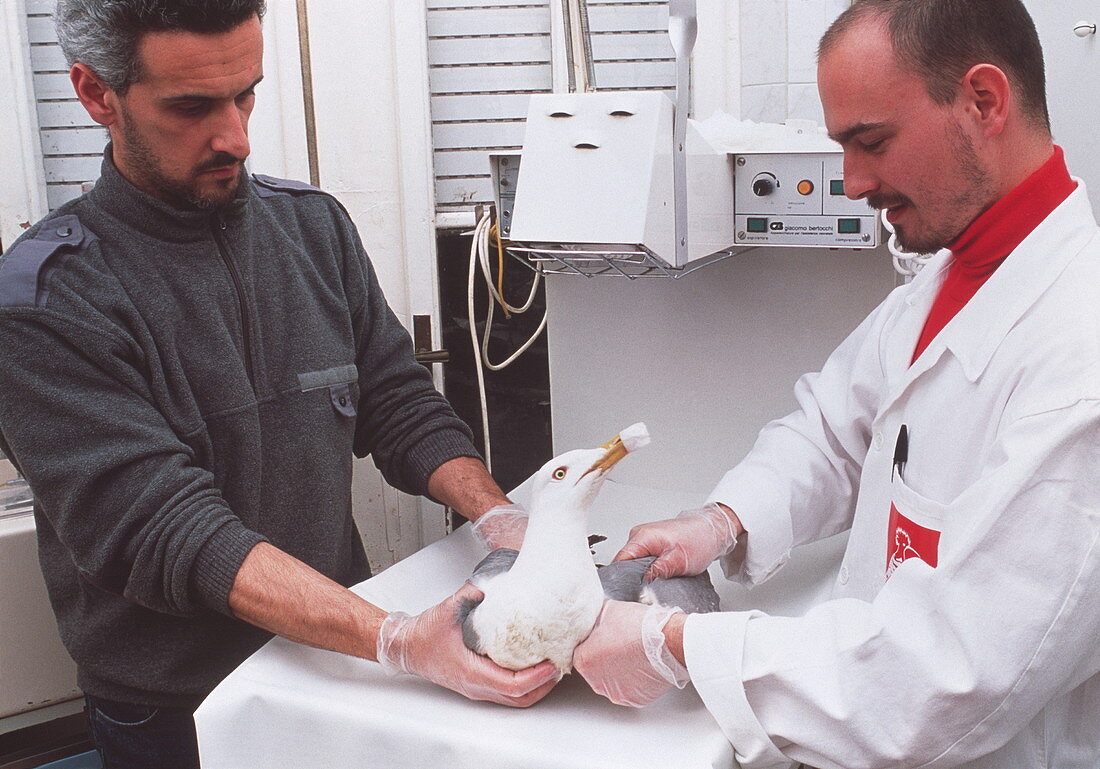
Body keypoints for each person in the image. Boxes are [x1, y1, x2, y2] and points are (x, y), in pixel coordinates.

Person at [0, 1, 553, 766]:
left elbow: (395, 402)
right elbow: (172, 530)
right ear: (98, 96)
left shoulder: (312, 229)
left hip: (335, 661)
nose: (236, 136)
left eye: (246, 93)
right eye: (192, 106)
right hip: (182, 710)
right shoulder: (49, 303)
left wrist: (500, 519)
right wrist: (395, 636)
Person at [573, 1, 1100, 767]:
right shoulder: (956, 273)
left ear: (983, 102)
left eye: (872, 141)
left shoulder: (1078, 360)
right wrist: (722, 520)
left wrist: (678, 641)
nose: (852, 182)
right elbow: (836, 429)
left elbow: (943, 676)